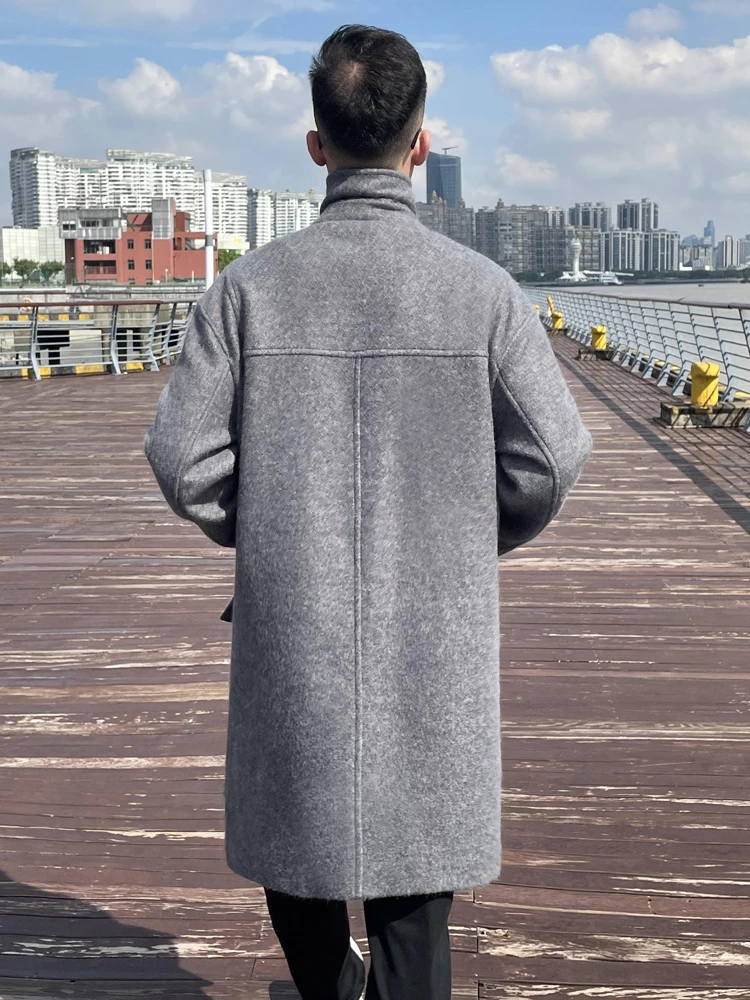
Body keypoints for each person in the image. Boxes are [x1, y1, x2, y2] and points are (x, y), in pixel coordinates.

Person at [145, 24, 592, 1000]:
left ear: (317, 145)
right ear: (420, 145)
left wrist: (265, 526)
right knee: (416, 882)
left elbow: (182, 458)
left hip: (293, 622)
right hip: (434, 631)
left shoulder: (247, 291)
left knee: (293, 842)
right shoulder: (483, 294)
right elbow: (553, 458)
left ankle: (333, 991)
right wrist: (467, 534)